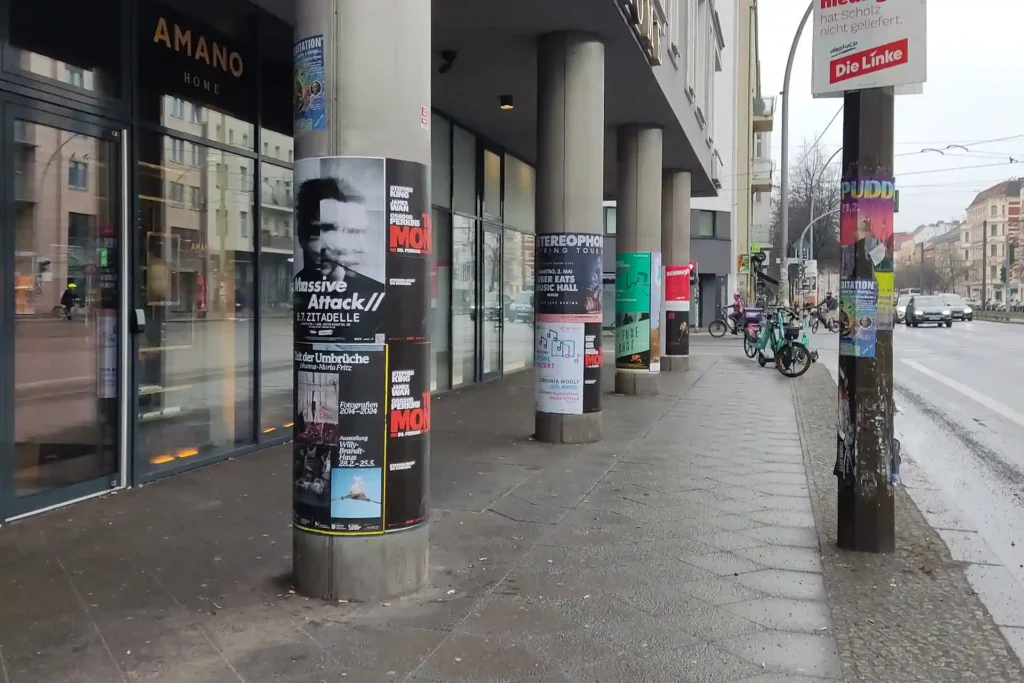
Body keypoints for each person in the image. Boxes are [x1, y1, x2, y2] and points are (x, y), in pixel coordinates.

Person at [294, 175, 386, 342]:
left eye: (355, 232)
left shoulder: (378, 295)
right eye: (326, 229)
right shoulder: (295, 290)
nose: (341, 246)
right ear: (301, 234)